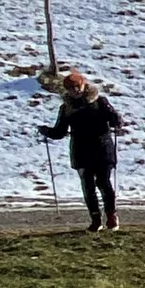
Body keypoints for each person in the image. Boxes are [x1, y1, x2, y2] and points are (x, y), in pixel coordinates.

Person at [42, 70, 126, 232]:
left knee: (103, 182)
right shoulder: (66, 108)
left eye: (77, 87)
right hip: (81, 150)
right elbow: (60, 131)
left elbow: (115, 120)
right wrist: (47, 131)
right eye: (71, 88)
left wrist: (116, 120)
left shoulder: (99, 101)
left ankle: (111, 216)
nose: (75, 91)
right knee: (88, 186)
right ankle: (95, 220)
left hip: (102, 148)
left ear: (83, 85)